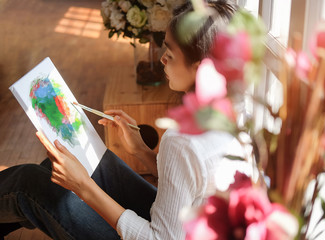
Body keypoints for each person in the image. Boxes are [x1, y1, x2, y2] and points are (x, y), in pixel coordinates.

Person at [0, 1, 240, 239]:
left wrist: (83, 185)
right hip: (188, 228)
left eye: (170, 53)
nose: (163, 59)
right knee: (68, 166)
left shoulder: (182, 140)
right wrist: (141, 151)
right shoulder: (234, 112)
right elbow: (191, 183)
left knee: (29, 183)